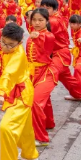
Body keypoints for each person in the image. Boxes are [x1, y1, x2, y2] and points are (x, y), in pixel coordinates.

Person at [0, 22, 39, 160]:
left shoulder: (18, 55)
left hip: (20, 94)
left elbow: (9, 74)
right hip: (19, 90)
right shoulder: (10, 49)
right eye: (3, 42)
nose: (5, 47)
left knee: (7, 127)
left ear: (19, 43)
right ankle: (30, 155)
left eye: (10, 45)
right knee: (25, 126)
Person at [27, 8, 56, 146]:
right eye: (34, 20)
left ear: (46, 21)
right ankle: (49, 123)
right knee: (45, 99)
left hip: (46, 72)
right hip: (33, 72)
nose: (37, 23)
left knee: (36, 101)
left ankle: (41, 137)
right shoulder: (32, 35)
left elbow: (45, 48)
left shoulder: (49, 35)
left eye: (40, 20)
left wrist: (36, 37)